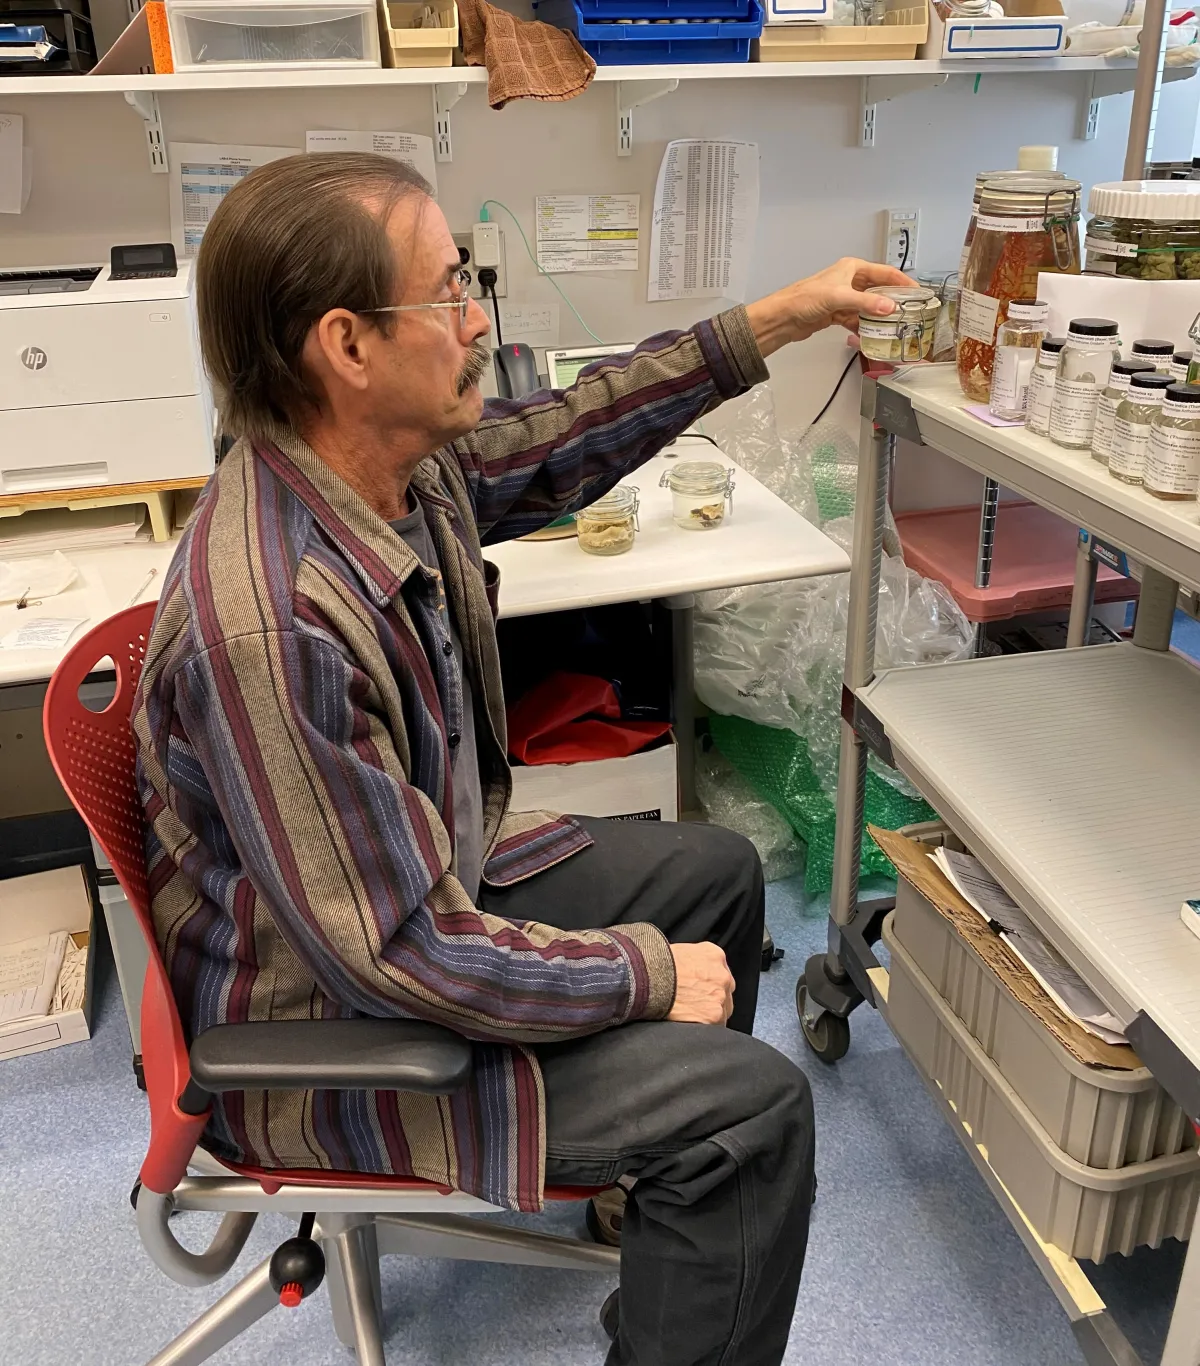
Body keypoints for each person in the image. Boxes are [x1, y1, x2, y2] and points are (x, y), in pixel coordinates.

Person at [132, 151, 908, 1366]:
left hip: (399, 902)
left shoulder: (388, 469)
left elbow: (568, 430)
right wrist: (639, 978)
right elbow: (396, 954)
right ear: (347, 344)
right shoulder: (275, 618)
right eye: (448, 291)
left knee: (715, 875)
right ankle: (688, 1177)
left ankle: (651, 1227)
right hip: (328, 1030)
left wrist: (784, 313)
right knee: (746, 1116)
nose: (478, 320)